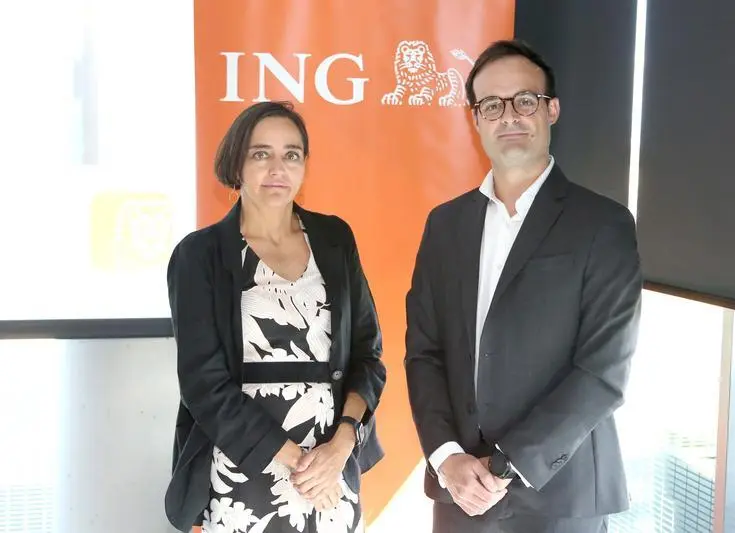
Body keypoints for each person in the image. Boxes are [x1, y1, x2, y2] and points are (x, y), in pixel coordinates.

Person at [404, 39, 643, 533]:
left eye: (525, 100)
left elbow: (603, 370)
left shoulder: (603, 223)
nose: (508, 116)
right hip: (460, 492)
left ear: (551, 110)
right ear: (476, 119)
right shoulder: (445, 224)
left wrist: (505, 465)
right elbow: (424, 351)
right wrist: (446, 456)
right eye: (492, 104)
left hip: (561, 495)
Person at [164, 101, 386, 533]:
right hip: (243, 462)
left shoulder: (335, 238)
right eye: (260, 153)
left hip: (331, 464)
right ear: (236, 164)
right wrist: (300, 462)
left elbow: (368, 357)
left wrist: (341, 446)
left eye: (292, 154)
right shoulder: (199, 255)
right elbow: (203, 385)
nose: (277, 168)